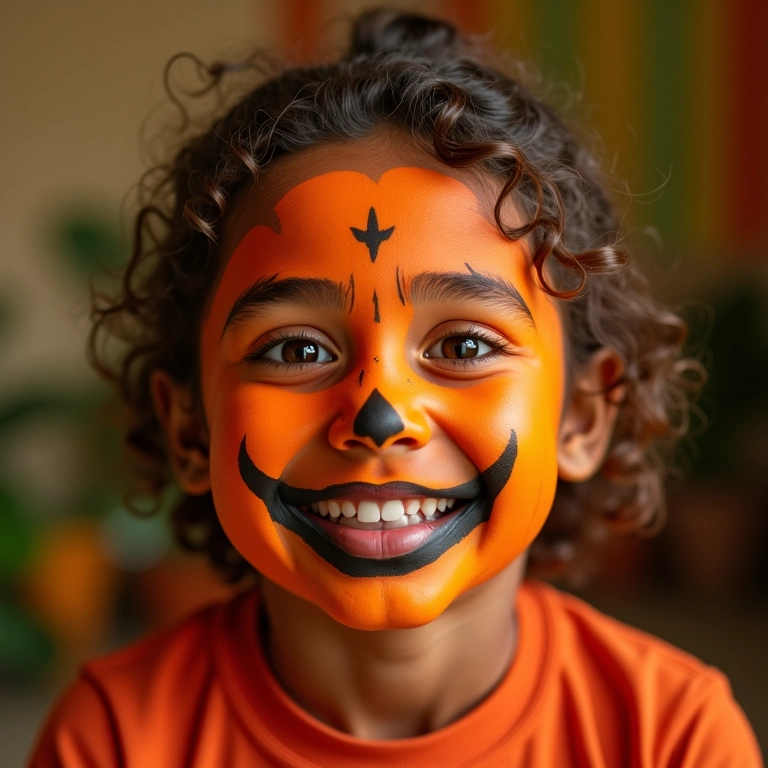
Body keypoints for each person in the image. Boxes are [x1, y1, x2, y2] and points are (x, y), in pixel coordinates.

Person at [29, 9, 762, 767]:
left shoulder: (672, 736)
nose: (380, 415)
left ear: (579, 416)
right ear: (190, 428)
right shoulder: (112, 740)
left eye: (465, 345)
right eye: (296, 348)